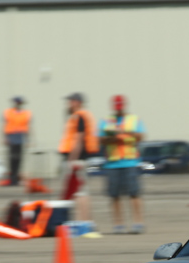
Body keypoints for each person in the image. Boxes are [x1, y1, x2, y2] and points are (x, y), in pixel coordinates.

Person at [100, 95, 146, 234]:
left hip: (130, 161)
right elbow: (101, 139)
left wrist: (124, 132)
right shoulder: (106, 121)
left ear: (124, 105)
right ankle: (118, 224)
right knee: (114, 195)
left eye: (120, 106)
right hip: (113, 163)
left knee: (134, 193)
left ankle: (138, 223)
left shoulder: (134, 119)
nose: (119, 109)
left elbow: (141, 137)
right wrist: (112, 136)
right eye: (116, 106)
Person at [58, 92, 99, 225]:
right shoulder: (78, 116)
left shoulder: (79, 116)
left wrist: (71, 160)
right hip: (78, 159)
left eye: (71, 101)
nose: (69, 103)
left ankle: (85, 222)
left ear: (78, 102)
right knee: (79, 192)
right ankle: (83, 221)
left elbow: (79, 140)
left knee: (81, 192)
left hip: (76, 159)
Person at [1, 96, 31, 186]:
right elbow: (5, 125)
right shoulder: (8, 112)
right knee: (12, 158)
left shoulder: (26, 113)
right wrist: (5, 138)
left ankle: (16, 177)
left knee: (19, 159)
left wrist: (28, 140)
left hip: (20, 136)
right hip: (11, 136)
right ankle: (12, 178)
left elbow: (28, 127)